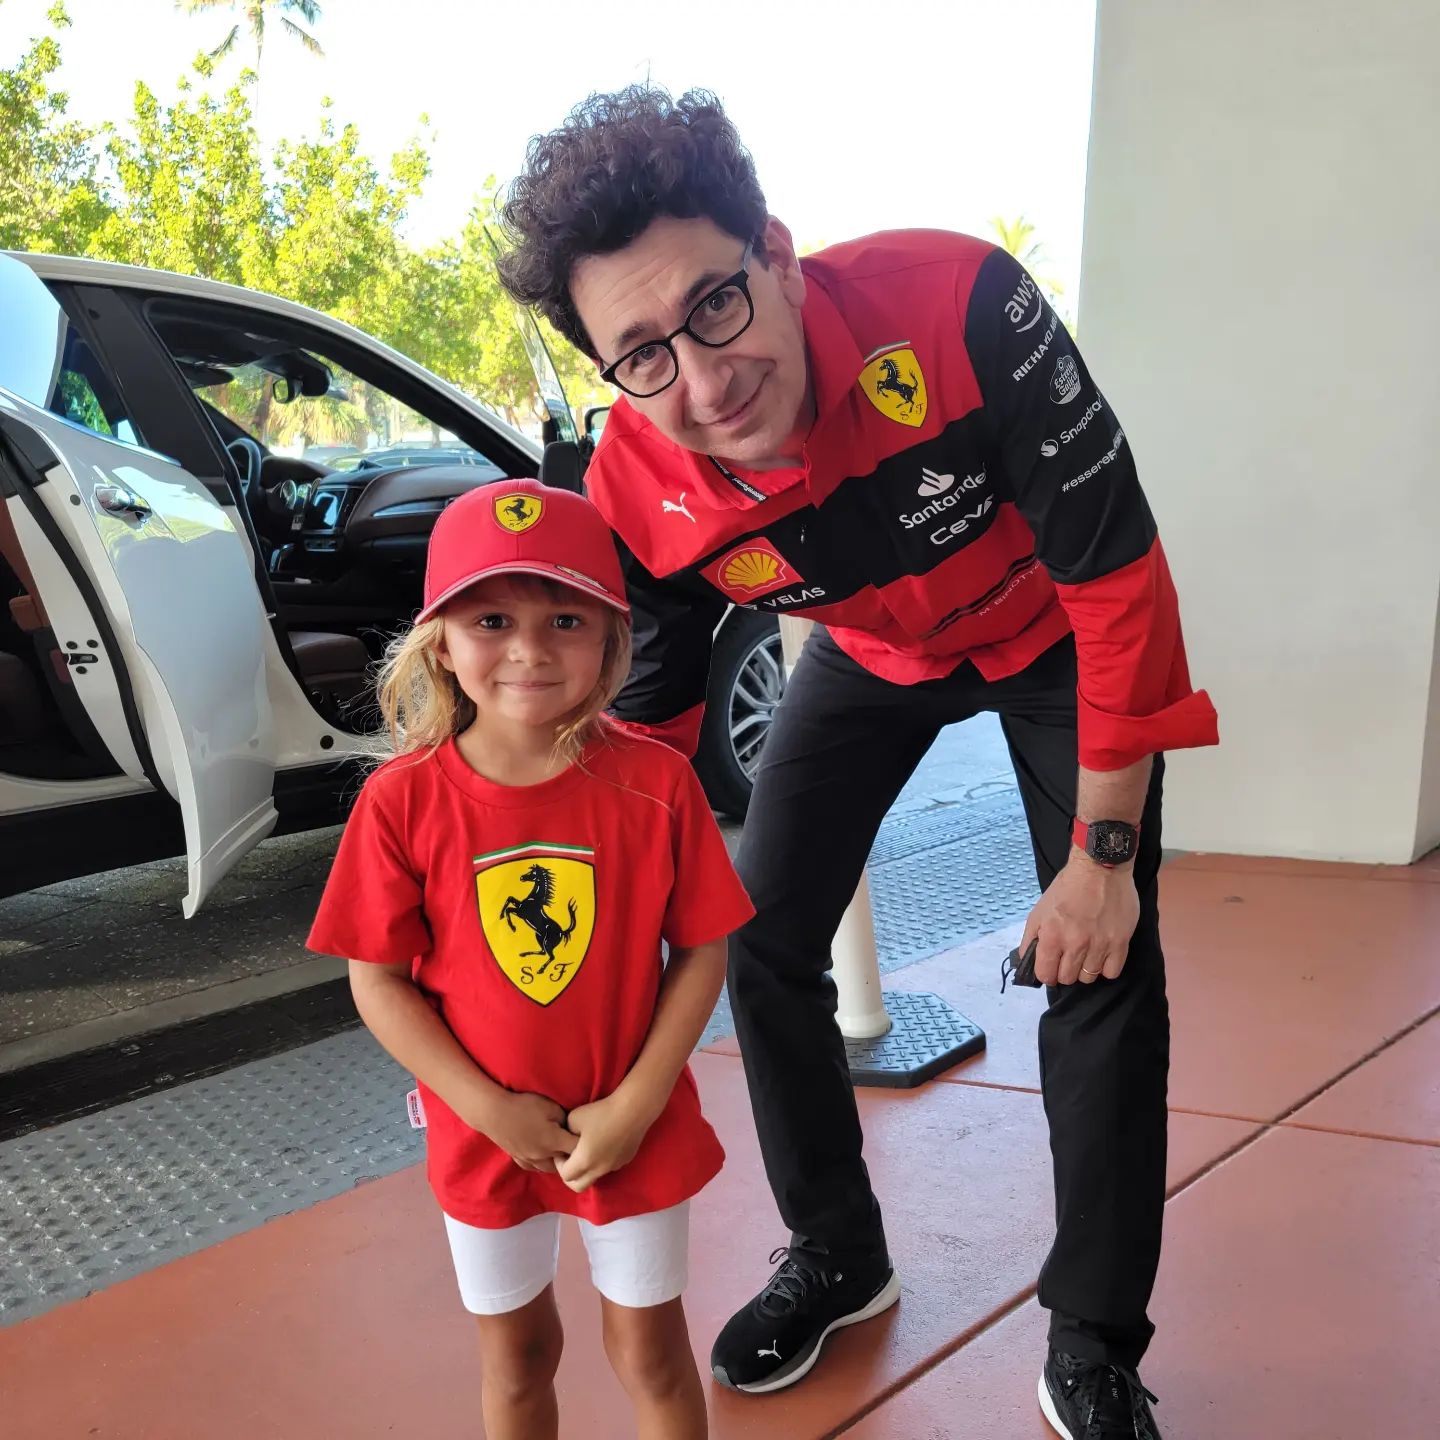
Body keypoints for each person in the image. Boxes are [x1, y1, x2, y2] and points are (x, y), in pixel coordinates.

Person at [496, 88, 1219, 1439]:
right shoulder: (635, 484)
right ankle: (838, 1252)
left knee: (1102, 953)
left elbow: (1120, 583)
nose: (704, 382)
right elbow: (646, 737)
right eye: (642, 354)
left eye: (716, 305)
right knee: (757, 934)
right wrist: (600, 931)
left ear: (773, 251)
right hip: (875, 654)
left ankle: (1093, 1337)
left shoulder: (960, 308)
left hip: (1053, 636)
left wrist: (1103, 859)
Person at [306, 477, 754, 1440]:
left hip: (631, 1127)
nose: (529, 650)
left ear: (612, 638)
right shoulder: (401, 801)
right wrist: (484, 1107)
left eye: (565, 620)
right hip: (481, 1135)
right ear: (440, 642)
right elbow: (376, 981)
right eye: (493, 620)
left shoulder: (658, 783)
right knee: (516, 1361)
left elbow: (702, 952)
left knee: (652, 1354)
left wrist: (637, 1105)